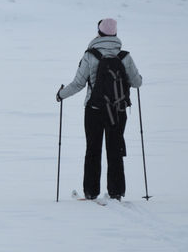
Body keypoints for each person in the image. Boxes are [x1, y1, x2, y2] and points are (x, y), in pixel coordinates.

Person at [56, 18, 142, 201]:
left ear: (99, 33)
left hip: (94, 110)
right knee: (115, 150)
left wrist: (61, 94)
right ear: (115, 34)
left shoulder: (90, 55)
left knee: (93, 149)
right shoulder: (124, 56)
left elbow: (79, 83)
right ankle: (116, 192)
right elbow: (137, 82)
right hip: (118, 111)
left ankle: (91, 192)